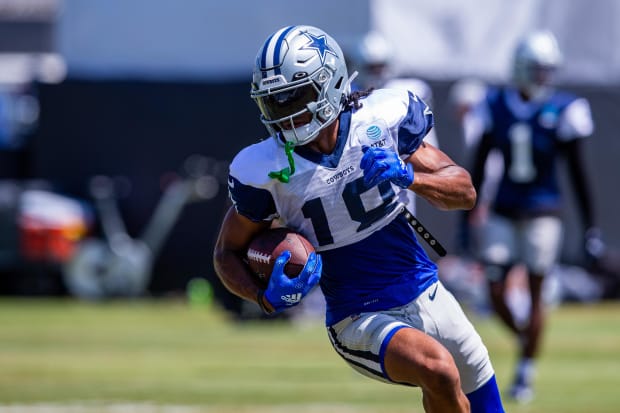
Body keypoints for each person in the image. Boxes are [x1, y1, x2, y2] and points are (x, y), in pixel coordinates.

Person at [213, 25, 505, 413]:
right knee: (438, 371)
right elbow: (226, 253)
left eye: (293, 97)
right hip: (358, 314)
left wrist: (409, 176)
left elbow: (465, 192)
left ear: (330, 83)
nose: (284, 113)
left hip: (425, 291)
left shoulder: (382, 117)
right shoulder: (264, 169)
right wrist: (264, 298)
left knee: (485, 402)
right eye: (274, 102)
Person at [466, 29, 601, 402]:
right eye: (538, 69)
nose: (544, 77)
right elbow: (477, 165)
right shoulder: (494, 104)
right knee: (493, 290)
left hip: (544, 210)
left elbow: (578, 171)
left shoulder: (564, 108)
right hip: (505, 209)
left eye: (548, 70)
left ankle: (525, 371)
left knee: (538, 293)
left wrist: (590, 227)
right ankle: (527, 338)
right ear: (522, 69)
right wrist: (467, 216)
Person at [348, 31, 439, 215]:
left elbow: (426, 143)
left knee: (403, 218)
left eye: (380, 66)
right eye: (372, 67)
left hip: (401, 168)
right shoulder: (350, 94)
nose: (377, 73)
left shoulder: (404, 94)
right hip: (360, 171)